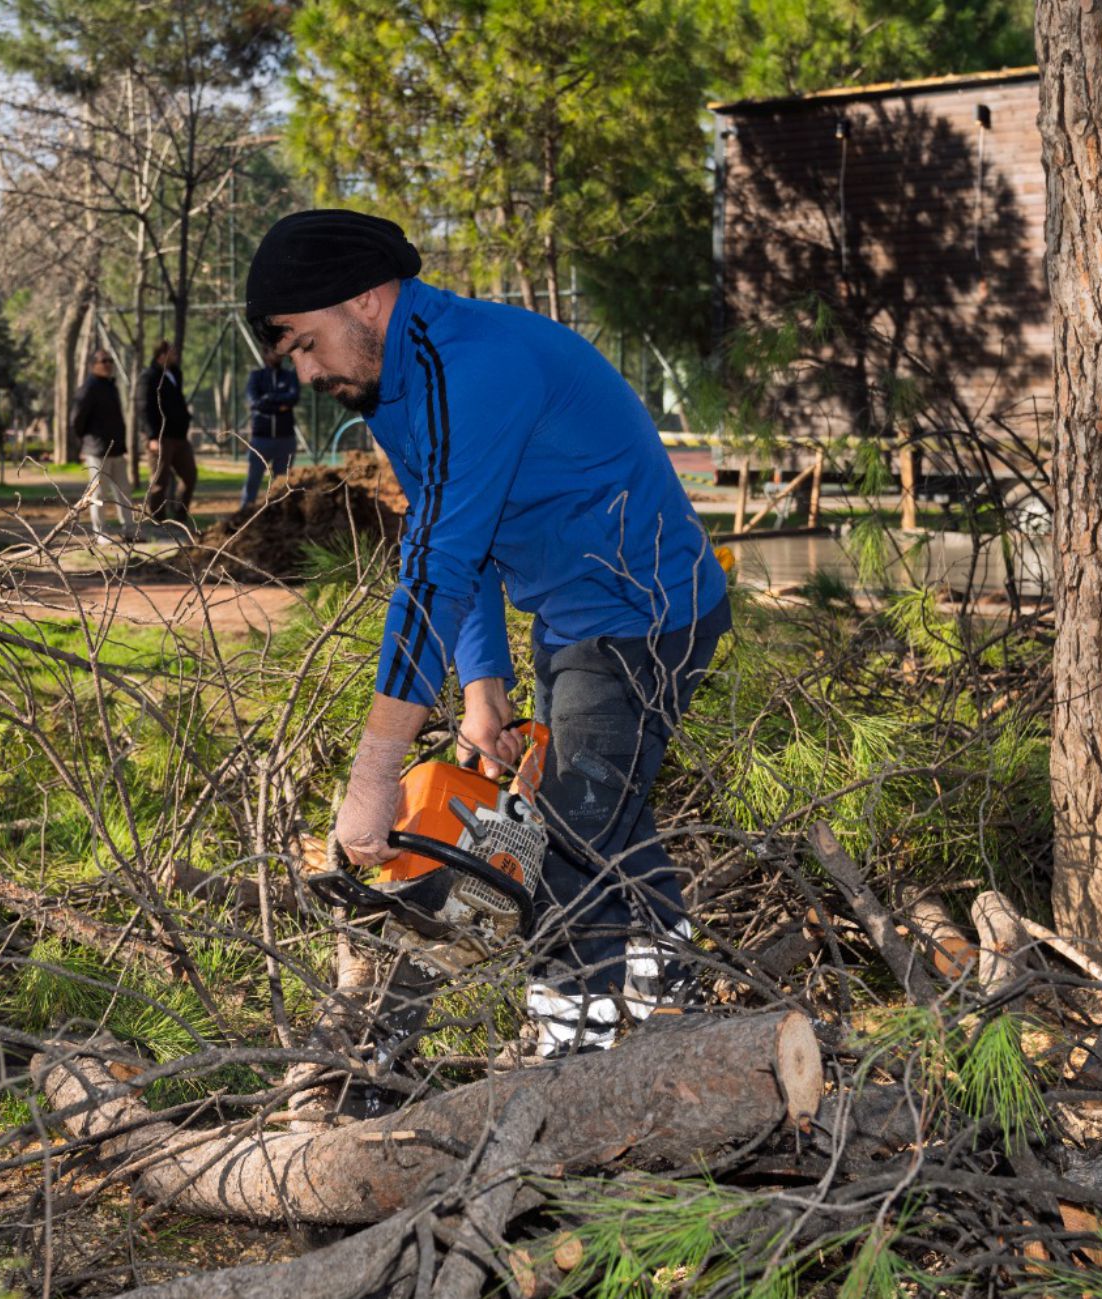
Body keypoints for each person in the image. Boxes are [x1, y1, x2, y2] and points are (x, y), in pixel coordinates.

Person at [246, 210, 729, 1058]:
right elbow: (451, 540)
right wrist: (481, 687)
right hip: (574, 613)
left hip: (645, 614)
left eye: (307, 343)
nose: (307, 370)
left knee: (566, 841)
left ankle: (569, 1056)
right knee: (597, 803)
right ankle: (673, 977)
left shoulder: (474, 368)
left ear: (365, 299)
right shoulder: (397, 383)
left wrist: (374, 774)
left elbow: (435, 570)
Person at [71, 349, 137, 541]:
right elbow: (76, 419)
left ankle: (130, 531)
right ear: (94, 365)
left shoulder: (111, 386)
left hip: (117, 449)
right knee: (98, 493)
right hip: (97, 450)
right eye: (104, 361)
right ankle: (100, 532)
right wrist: (88, 441)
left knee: (124, 492)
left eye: (110, 361)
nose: (108, 364)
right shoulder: (89, 388)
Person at [143, 340, 197, 524]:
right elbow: (146, 408)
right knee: (160, 480)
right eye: (172, 353)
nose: (175, 356)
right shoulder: (150, 376)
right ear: (162, 356)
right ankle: (157, 519)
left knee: (190, 476)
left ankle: (180, 516)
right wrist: (152, 436)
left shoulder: (175, 373)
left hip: (179, 436)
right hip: (161, 437)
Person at [240, 346, 301, 508]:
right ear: (265, 354)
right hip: (261, 440)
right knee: (252, 481)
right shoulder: (256, 376)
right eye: (274, 351)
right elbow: (254, 402)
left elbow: (293, 398)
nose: (279, 354)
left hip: (285, 440)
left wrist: (268, 398)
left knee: (281, 484)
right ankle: (244, 513)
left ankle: (277, 515)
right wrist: (280, 405)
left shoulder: (290, 376)